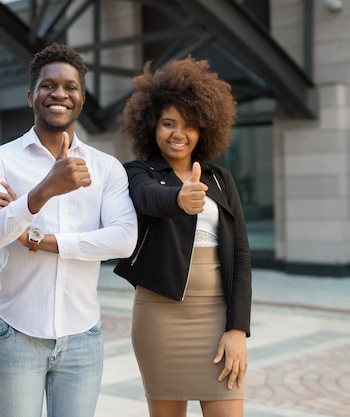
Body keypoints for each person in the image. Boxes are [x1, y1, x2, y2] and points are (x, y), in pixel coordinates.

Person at [0, 43, 137, 417]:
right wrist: (44, 191)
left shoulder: (106, 167)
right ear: (32, 95)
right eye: (49, 85)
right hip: (17, 335)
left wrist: (35, 238)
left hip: (83, 338)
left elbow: (124, 239)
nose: (59, 93)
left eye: (70, 87)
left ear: (81, 98)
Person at [114, 57, 252, 417]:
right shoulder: (137, 172)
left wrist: (238, 328)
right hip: (160, 316)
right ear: (151, 126)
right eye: (168, 123)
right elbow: (148, 198)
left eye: (189, 125)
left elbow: (241, 257)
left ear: (204, 128)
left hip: (217, 316)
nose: (179, 134)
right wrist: (178, 198)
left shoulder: (220, 179)